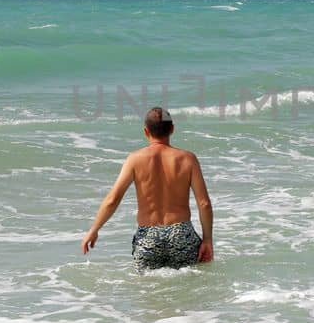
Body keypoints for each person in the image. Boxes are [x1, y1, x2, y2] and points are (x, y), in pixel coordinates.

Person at [81, 107, 214, 270]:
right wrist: (207, 240)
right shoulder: (187, 159)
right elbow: (204, 203)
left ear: (146, 131)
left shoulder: (135, 159)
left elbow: (112, 199)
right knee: (187, 288)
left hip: (148, 236)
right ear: (172, 129)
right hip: (181, 233)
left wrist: (94, 230)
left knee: (148, 290)